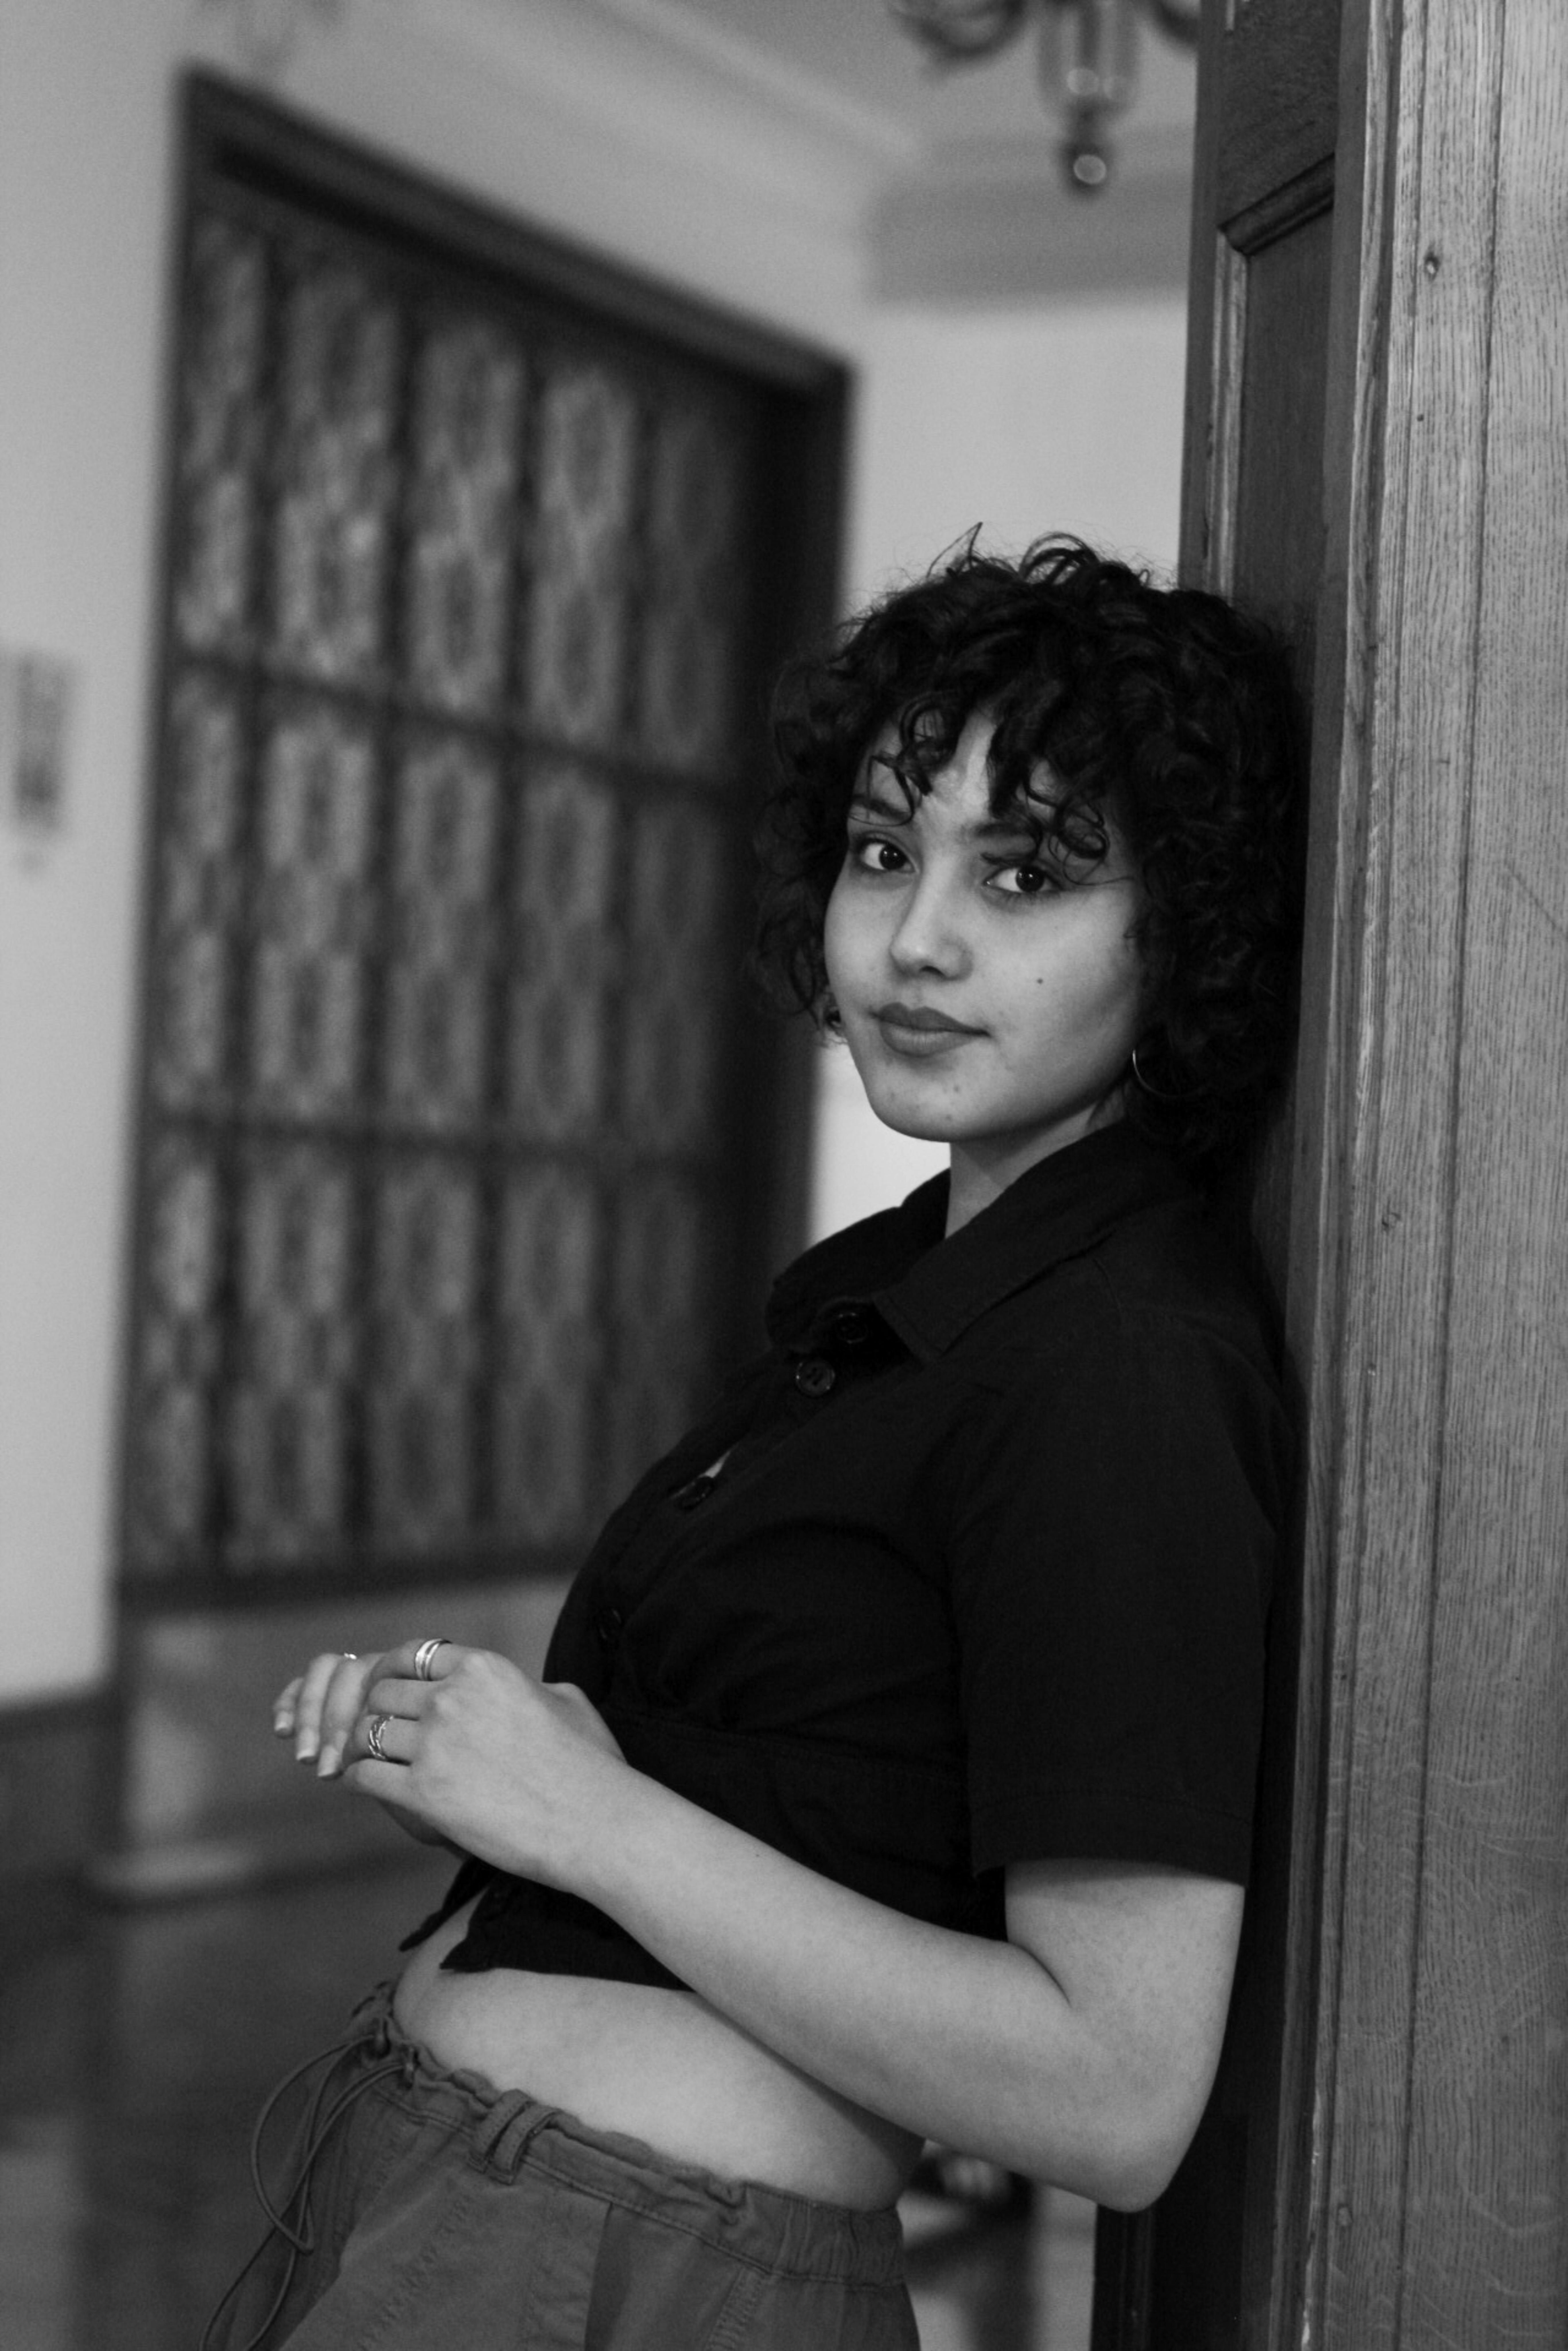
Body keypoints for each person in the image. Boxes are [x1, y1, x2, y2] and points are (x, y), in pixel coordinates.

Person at [207, 537, 1300, 2351]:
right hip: (458, 2213)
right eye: (887, 852)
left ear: (1181, 932)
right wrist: (516, 1770)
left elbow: (1116, 2097)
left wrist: (591, 1817)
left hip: (630, 2274)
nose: (920, 940)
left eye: (1025, 875)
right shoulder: (906, 1299)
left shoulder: (1125, 1357)